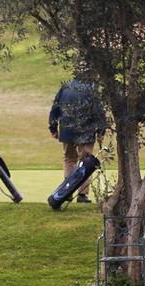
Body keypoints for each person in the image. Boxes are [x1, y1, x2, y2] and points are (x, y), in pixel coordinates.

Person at [50, 68, 106, 202]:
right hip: (86, 131)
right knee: (85, 161)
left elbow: (55, 108)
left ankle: (66, 192)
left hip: (67, 130)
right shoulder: (92, 89)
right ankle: (82, 194)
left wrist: (53, 127)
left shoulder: (65, 87)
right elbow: (99, 111)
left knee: (69, 159)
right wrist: (101, 130)